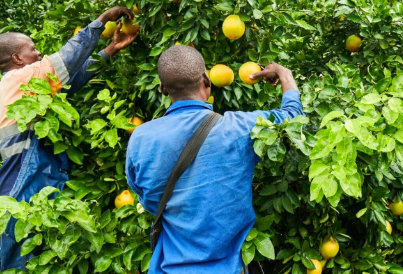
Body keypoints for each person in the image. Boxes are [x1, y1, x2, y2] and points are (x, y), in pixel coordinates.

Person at [125, 45, 304, 274]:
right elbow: (293, 119)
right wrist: (285, 75)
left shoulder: (141, 138)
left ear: (162, 88)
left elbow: (148, 199)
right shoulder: (239, 128)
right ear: (207, 81)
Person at [0, 6, 139, 271]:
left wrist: (111, 49)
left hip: (34, 184)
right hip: (17, 191)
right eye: (32, 49)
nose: (39, 54)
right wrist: (101, 20)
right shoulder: (17, 77)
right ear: (17, 58)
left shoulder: (33, 88)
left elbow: (71, 80)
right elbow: (65, 60)